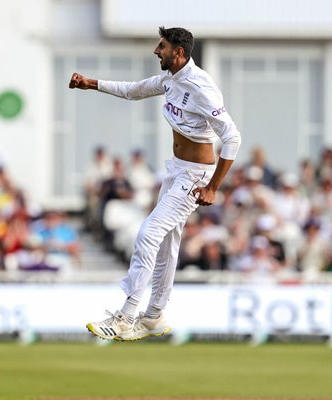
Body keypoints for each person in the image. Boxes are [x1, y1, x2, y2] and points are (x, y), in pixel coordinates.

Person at [69, 26, 241, 341]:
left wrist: (214, 186)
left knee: (148, 233)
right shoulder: (169, 80)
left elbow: (232, 138)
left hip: (195, 176)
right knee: (166, 241)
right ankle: (154, 315)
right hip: (176, 170)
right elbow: (133, 90)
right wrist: (90, 84)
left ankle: (127, 315)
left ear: (179, 52)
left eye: (161, 46)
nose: (155, 51)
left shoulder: (202, 87)